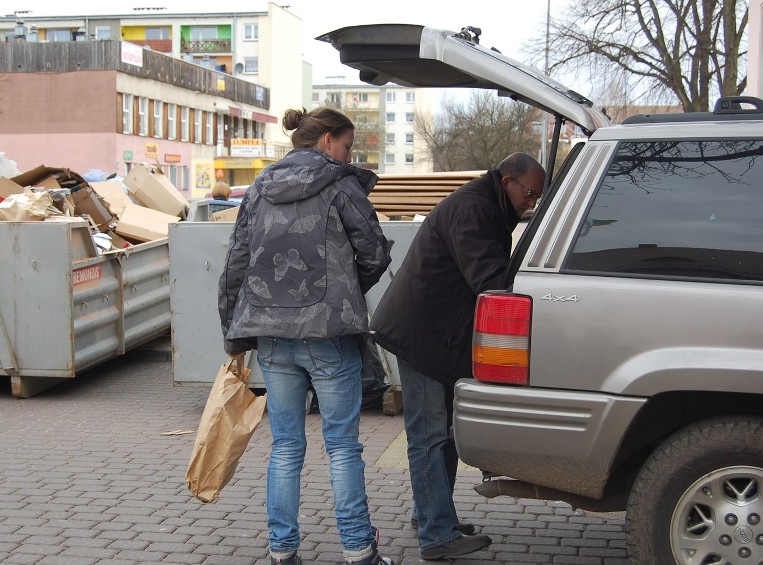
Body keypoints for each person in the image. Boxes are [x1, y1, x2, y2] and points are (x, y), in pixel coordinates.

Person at [218, 107, 393, 565]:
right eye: (347, 146)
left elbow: (237, 261)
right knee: (342, 446)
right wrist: (344, 293)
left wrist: (232, 333)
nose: (348, 155)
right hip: (328, 334)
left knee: (285, 445)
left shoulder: (259, 187)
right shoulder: (341, 183)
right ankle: (358, 550)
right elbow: (374, 252)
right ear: (328, 139)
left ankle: (282, 552)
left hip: (273, 336)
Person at [369, 152, 545, 561]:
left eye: (537, 197)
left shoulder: (486, 205)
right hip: (423, 335)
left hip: (435, 332)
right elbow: (490, 278)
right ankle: (436, 534)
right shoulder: (474, 210)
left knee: (442, 432)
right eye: (530, 194)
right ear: (507, 183)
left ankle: (432, 515)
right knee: (430, 434)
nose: (531, 204)